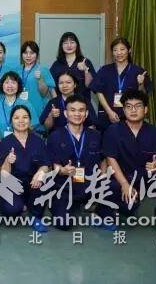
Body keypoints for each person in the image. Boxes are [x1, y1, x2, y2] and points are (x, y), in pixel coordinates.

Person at [100, 90, 156, 236]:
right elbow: (110, 159)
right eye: (128, 106)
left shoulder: (155, 133)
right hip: (121, 178)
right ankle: (120, 210)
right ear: (124, 110)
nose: (133, 110)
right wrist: (125, 184)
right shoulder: (113, 131)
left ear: (145, 109)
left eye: (138, 106)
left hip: (145, 178)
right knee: (117, 195)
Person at [46, 95, 106, 230]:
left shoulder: (96, 135)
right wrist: (63, 170)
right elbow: (54, 165)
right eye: (72, 110)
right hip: (64, 187)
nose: (77, 114)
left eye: (81, 110)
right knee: (63, 224)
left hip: (90, 184)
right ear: (66, 113)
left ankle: (97, 208)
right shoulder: (55, 136)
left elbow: (103, 159)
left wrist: (102, 176)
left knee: (112, 186)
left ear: (86, 113)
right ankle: (65, 206)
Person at [0, 105, 50, 232]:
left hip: (33, 183)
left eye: (25, 117)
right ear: (11, 121)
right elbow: (3, 175)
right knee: (11, 211)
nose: (21, 121)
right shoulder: (5, 142)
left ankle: (35, 215)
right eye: (16, 118)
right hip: (12, 184)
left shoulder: (38, 141)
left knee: (45, 179)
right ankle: (20, 205)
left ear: (30, 120)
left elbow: (45, 164)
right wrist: (8, 161)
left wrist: (40, 174)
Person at [91, 37, 152, 130]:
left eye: (122, 49)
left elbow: (142, 96)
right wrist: (109, 112)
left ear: (129, 50)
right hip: (107, 116)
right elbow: (98, 91)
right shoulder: (104, 70)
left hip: (130, 117)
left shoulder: (138, 71)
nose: (119, 53)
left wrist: (141, 84)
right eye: (115, 50)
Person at [0, 71, 39, 141]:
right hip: (1, 143)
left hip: (22, 143)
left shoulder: (26, 104)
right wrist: (0, 144)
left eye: (13, 83)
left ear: (18, 86)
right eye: (7, 82)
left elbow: (32, 126)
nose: (10, 86)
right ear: (2, 85)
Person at [50, 32, 96, 102]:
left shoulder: (85, 62)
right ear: (61, 46)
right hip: (62, 104)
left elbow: (91, 85)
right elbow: (51, 86)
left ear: (77, 45)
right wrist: (56, 101)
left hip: (82, 103)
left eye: (72, 42)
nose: (69, 46)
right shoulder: (56, 64)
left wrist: (86, 70)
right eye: (65, 43)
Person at [17, 41, 56, 116]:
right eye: (25, 53)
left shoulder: (43, 70)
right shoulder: (16, 70)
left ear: (37, 54)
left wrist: (40, 79)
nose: (28, 56)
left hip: (38, 108)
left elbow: (49, 93)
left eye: (32, 53)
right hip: (20, 109)